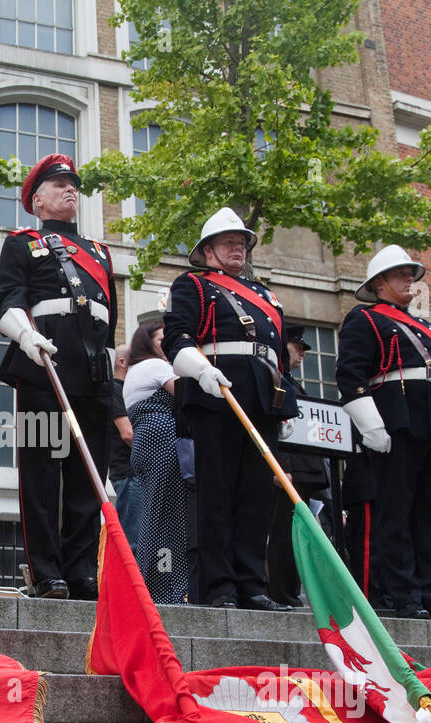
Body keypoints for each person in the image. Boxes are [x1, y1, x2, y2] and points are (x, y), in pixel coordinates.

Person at [162, 207, 296, 610]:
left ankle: (251, 583)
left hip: (263, 394)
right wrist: (201, 371)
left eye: (242, 242)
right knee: (217, 492)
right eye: (228, 241)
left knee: (256, 494)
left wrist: (286, 405)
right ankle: (219, 585)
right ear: (206, 250)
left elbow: (279, 355)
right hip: (216, 389)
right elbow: (177, 338)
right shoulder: (193, 285)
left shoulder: (267, 294)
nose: (238, 247)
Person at [0, 154, 116, 600]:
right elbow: (8, 301)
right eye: (59, 184)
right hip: (43, 365)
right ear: (37, 199)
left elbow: (109, 320)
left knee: (88, 474)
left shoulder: (100, 251)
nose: (70, 190)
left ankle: (82, 569)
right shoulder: (22, 243)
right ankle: (47, 571)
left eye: (73, 184)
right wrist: (27, 337)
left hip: (92, 373)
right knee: (42, 473)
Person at [336, 245, 431, 621]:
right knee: (395, 514)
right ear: (379, 283)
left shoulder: (428, 327)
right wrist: (371, 425)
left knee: (430, 515)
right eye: (401, 273)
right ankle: (403, 595)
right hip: (395, 424)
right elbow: (350, 376)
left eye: (411, 272)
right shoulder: (364, 320)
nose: (410, 278)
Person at [266, 325, 330, 607]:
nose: (303, 353)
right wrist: (280, 468)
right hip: (288, 471)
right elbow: (278, 431)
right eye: (297, 347)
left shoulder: (292, 382)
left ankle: (290, 591)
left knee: (297, 536)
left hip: (305, 471)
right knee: (283, 535)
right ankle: (283, 592)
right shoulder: (275, 380)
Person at [124, 321, 188, 604]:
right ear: (146, 343)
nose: (167, 343)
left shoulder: (135, 371)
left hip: (147, 442)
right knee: (167, 518)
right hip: (162, 440)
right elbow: (185, 395)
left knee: (156, 514)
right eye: (162, 339)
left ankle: (156, 583)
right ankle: (164, 586)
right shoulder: (157, 367)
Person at [109, 348, 142, 542]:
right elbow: (128, 433)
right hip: (129, 473)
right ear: (122, 362)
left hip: (135, 474)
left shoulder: (130, 391)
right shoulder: (115, 389)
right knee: (132, 541)